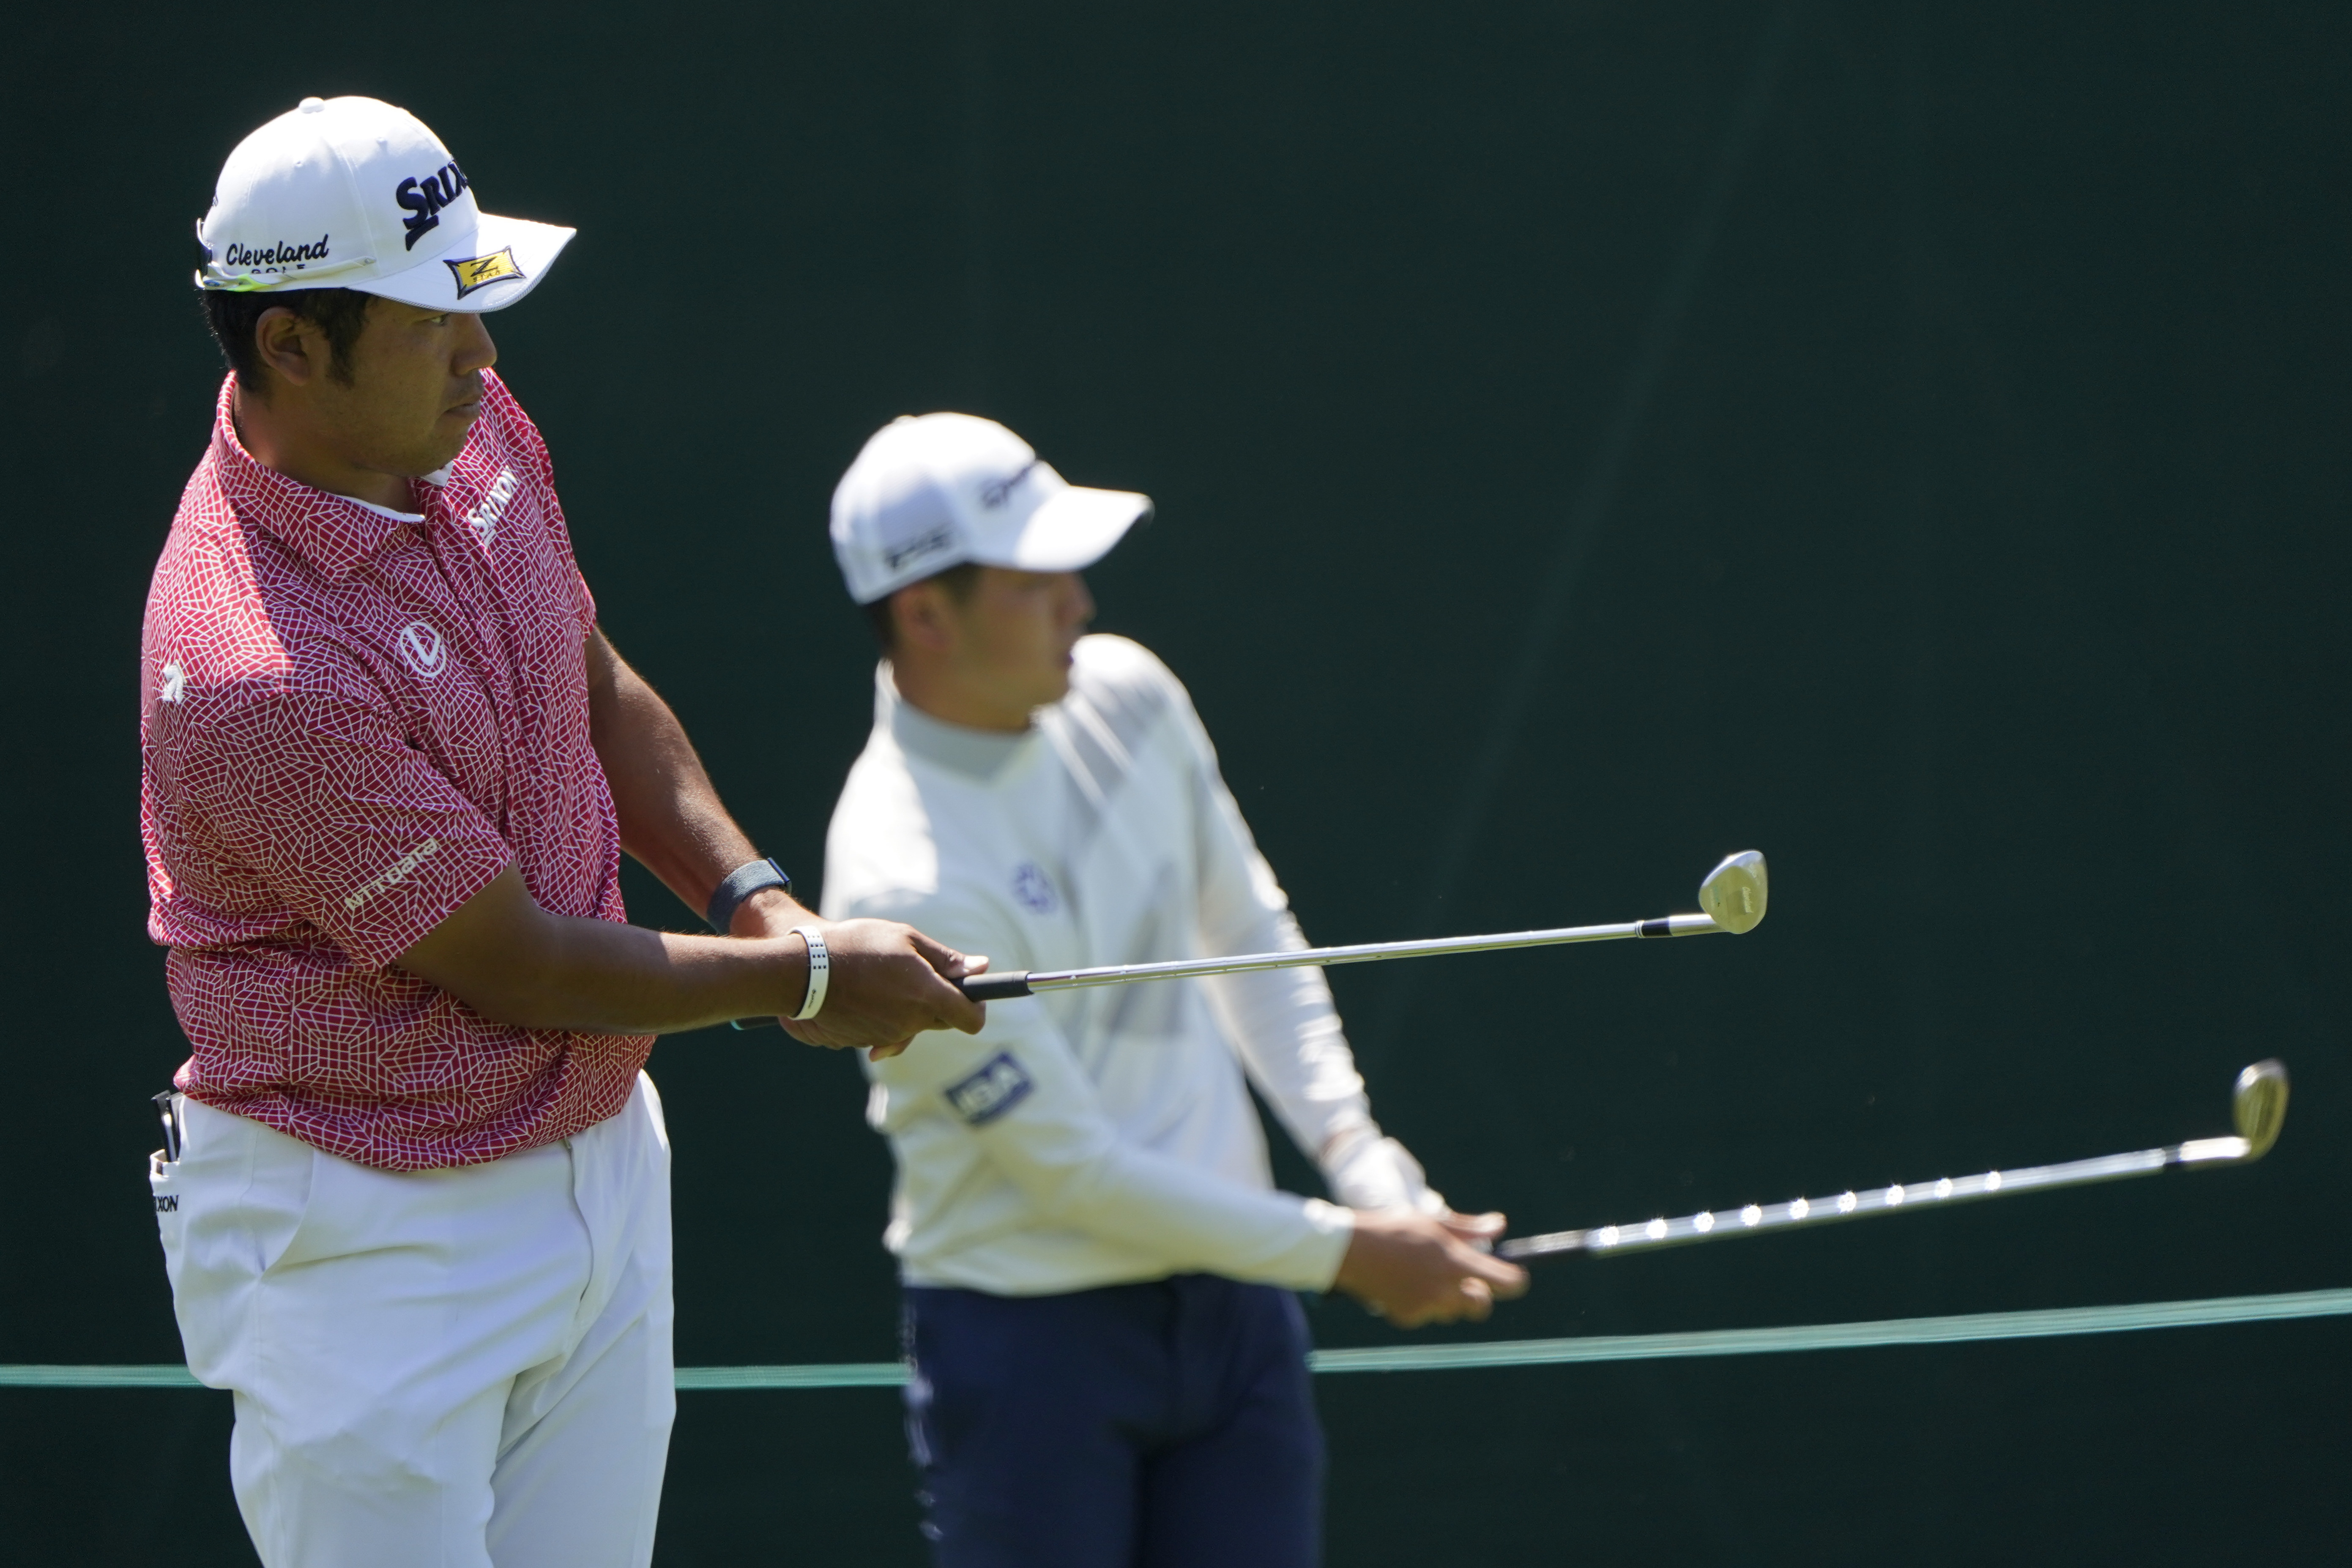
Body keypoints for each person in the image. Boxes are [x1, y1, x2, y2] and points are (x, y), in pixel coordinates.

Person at [141, 97, 984, 1568]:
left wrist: (759, 900)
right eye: (434, 320)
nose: (483, 353)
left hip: (597, 1165)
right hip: (366, 1238)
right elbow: (514, 962)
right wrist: (800, 984)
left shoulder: (466, 428)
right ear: (289, 343)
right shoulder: (248, 667)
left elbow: (579, 664)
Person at [819, 413, 1529, 1568]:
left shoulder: (1130, 692)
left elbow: (1247, 938)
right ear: (925, 616)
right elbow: (1073, 1172)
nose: (1080, 604)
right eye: (1036, 580)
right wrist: (1352, 1250)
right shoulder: (902, 878)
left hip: (1240, 1304)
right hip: (1028, 1345)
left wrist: (1359, 1158)